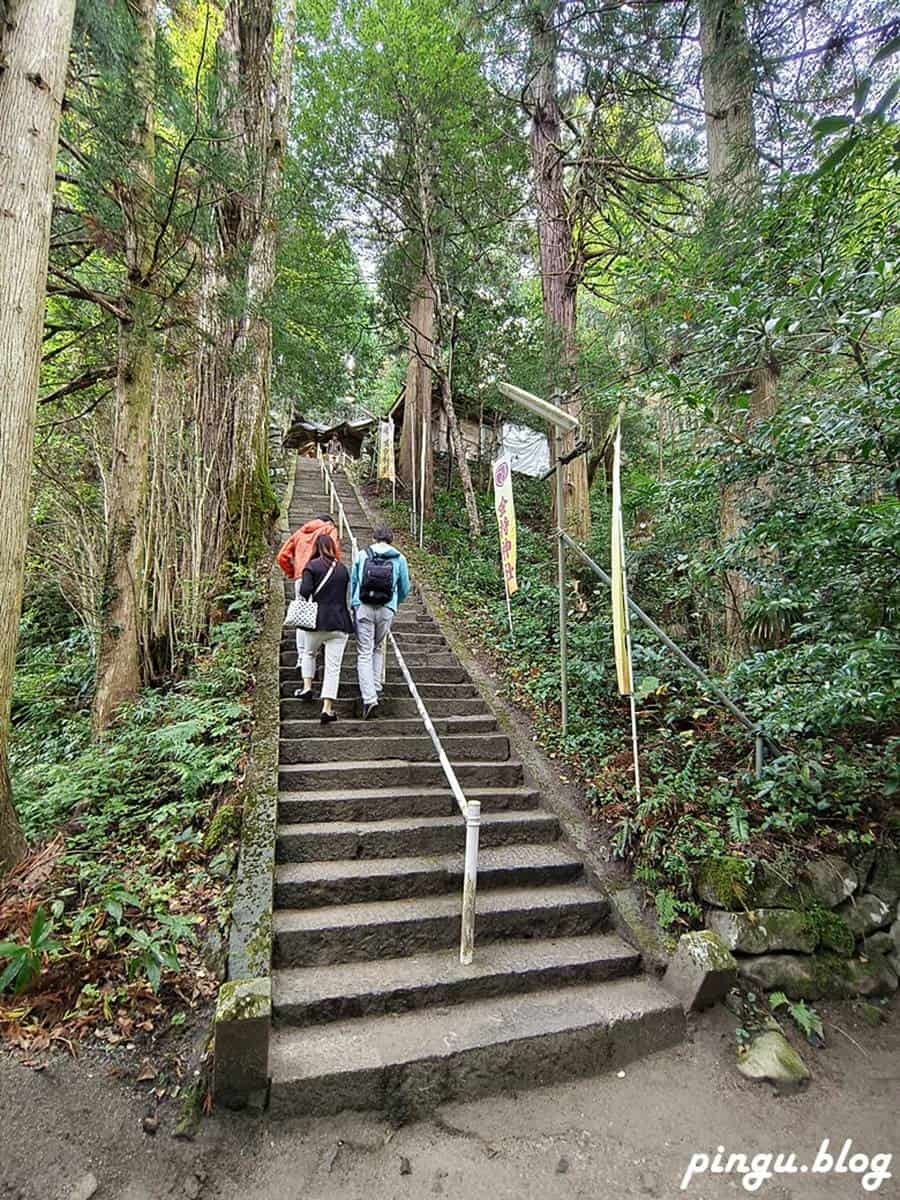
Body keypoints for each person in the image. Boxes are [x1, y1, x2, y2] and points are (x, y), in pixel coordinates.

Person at [349, 523, 411, 719]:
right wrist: (394, 603)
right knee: (377, 647)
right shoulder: (400, 558)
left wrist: (354, 603)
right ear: (391, 539)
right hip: (386, 609)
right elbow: (405, 587)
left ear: (374, 537)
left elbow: (354, 581)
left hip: (364, 607)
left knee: (364, 652)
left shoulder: (362, 554)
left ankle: (369, 698)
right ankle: (376, 685)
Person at [293, 533, 353, 724]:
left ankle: (307, 687)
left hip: (316, 621)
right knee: (333, 668)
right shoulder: (343, 569)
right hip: (340, 623)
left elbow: (304, 592)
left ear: (316, 548)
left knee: (309, 653)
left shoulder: (311, 566)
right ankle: (327, 708)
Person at [277, 511, 340, 668]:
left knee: (302, 616)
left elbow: (282, 556)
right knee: (319, 612)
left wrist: (293, 572)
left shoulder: (300, 532)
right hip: (321, 576)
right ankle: (314, 653)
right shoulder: (329, 530)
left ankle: (301, 657)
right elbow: (334, 552)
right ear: (330, 523)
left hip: (300, 577)